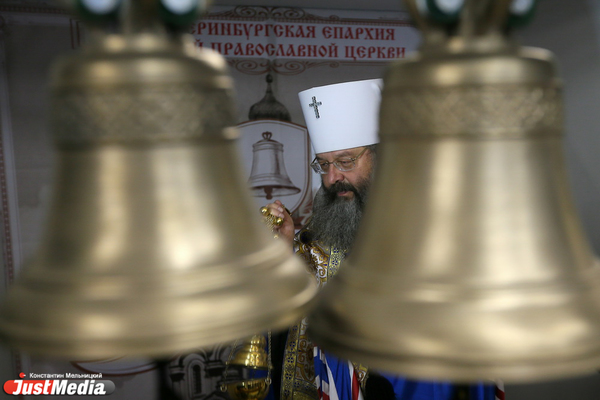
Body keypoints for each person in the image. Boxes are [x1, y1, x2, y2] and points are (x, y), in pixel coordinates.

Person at [262, 79, 498, 400]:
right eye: (324, 164)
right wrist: (284, 253)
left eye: (346, 162)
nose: (332, 179)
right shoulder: (321, 235)